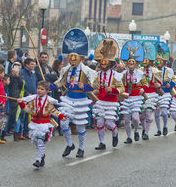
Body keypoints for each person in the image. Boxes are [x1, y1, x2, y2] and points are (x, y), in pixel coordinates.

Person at [50, 29, 95, 158]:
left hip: (81, 100)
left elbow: (95, 85)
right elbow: (60, 82)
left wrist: (85, 86)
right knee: (63, 122)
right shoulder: (65, 69)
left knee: (80, 127)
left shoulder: (87, 70)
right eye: (71, 57)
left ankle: (81, 148)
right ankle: (70, 144)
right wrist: (49, 87)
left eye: (75, 57)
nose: (72, 59)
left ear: (81, 58)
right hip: (68, 99)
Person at [19, 81, 66, 168]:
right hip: (35, 123)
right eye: (38, 88)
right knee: (37, 142)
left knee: (40, 142)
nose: (39, 91)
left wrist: (61, 116)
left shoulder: (48, 102)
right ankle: (41, 156)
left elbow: (54, 111)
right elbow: (27, 110)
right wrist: (21, 103)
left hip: (44, 125)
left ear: (47, 91)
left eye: (42, 89)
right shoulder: (33, 101)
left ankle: (38, 159)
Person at [92, 39, 124, 150]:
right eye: (102, 62)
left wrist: (113, 89)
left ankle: (115, 134)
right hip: (100, 101)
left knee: (110, 123)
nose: (103, 64)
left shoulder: (116, 75)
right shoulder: (97, 74)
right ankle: (102, 143)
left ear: (110, 63)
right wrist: (94, 90)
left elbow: (121, 88)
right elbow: (94, 86)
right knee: (99, 122)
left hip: (111, 102)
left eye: (106, 62)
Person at [139, 43, 162, 140]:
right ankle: (144, 129)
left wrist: (159, 85)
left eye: (146, 60)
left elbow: (160, 82)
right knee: (141, 116)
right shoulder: (139, 70)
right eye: (143, 60)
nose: (144, 62)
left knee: (148, 115)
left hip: (151, 95)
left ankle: (146, 133)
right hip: (141, 95)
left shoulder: (155, 71)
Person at [154, 42, 175, 136]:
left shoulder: (169, 70)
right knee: (156, 113)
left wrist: (170, 85)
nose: (159, 61)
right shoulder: (152, 69)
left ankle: (165, 126)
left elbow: (174, 79)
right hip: (155, 93)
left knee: (164, 112)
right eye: (157, 59)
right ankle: (158, 130)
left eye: (161, 60)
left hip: (166, 93)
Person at [20, 58, 38, 138]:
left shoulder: (33, 73)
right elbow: (21, 85)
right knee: (23, 115)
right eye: (31, 64)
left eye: (34, 64)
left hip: (33, 96)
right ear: (26, 65)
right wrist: (27, 93)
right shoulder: (22, 73)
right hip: (25, 96)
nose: (33, 65)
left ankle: (26, 132)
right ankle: (20, 132)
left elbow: (36, 83)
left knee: (29, 115)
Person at [7, 62, 24, 141]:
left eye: (18, 67)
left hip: (18, 99)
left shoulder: (20, 77)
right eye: (15, 67)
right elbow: (8, 85)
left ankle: (16, 133)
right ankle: (2, 133)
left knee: (17, 117)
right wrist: (13, 76)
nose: (16, 69)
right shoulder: (8, 76)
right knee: (7, 117)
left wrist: (17, 76)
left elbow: (21, 85)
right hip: (9, 99)